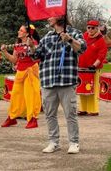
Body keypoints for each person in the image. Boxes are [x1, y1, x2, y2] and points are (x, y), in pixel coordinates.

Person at [30, 16, 86, 154]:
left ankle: (74, 142)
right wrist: (32, 47)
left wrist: (70, 40)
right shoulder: (47, 36)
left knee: (70, 114)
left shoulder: (74, 32)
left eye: (51, 16)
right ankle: (54, 142)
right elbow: (36, 55)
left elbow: (82, 48)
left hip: (66, 80)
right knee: (50, 114)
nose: (48, 18)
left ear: (60, 17)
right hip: (48, 81)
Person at [0, 24, 41, 129]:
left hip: (31, 70)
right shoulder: (17, 45)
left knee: (31, 95)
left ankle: (33, 118)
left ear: (27, 33)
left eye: (21, 30)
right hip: (20, 71)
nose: (18, 32)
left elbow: (35, 55)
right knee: (15, 95)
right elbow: (14, 60)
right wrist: (4, 52)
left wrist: (31, 46)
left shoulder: (34, 43)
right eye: (19, 30)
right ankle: (12, 117)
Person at [77, 20, 108, 116]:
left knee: (93, 89)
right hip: (82, 67)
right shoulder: (84, 36)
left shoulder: (101, 40)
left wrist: (94, 65)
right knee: (82, 88)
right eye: (88, 27)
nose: (90, 30)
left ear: (97, 28)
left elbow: (101, 55)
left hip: (93, 69)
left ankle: (93, 109)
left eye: (93, 28)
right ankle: (83, 109)